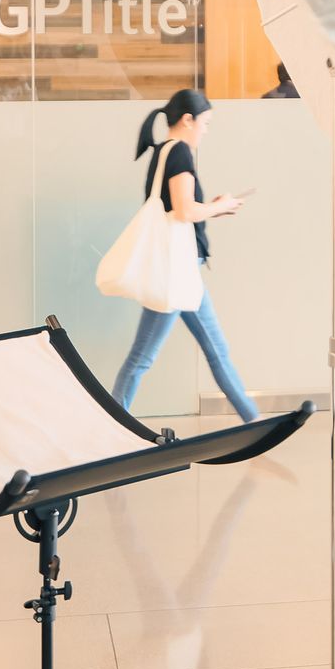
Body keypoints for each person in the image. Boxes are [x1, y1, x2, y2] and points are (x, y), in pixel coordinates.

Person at [110, 88, 260, 422]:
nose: (206, 130)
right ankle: (110, 422)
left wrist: (214, 209)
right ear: (188, 120)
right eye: (205, 123)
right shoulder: (179, 152)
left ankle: (254, 421)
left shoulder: (165, 151)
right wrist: (219, 206)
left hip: (181, 270)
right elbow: (182, 211)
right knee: (143, 357)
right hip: (176, 272)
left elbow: (180, 209)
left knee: (215, 350)